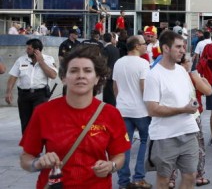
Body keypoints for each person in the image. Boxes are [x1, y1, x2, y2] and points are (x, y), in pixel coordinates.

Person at [19, 45, 130, 188]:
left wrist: (111, 166)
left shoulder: (111, 113)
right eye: (74, 70)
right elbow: (25, 159)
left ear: (97, 78)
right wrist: (38, 163)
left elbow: (119, 156)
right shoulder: (43, 112)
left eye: (88, 71)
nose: (81, 76)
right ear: (64, 78)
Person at [143, 30, 200, 189]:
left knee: (190, 176)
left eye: (183, 46)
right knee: (163, 180)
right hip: (164, 137)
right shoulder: (154, 75)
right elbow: (152, 109)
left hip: (188, 132)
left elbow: (188, 96)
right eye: (179, 47)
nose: (183, 50)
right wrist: (183, 109)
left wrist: (192, 103)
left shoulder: (182, 70)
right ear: (166, 48)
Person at [113, 35, 153, 189]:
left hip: (122, 109)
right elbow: (144, 88)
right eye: (144, 44)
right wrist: (150, 107)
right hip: (140, 110)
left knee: (125, 144)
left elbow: (115, 88)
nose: (146, 46)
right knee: (144, 140)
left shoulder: (119, 62)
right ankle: (139, 177)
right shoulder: (143, 63)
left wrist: (120, 101)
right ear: (136, 46)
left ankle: (123, 181)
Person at [169, 56, 212, 188]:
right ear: (182, 63)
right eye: (188, 61)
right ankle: (199, 175)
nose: (191, 63)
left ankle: (171, 178)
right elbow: (208, 91)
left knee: (172, 147)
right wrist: (203, 79)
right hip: (192, 116)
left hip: (173, 115)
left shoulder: (168, 76)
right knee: (198, 146)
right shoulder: (192, 76)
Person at [6, 38, 58, 133]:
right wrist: (8, 91)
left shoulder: (48, 59)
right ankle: (27, 145)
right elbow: (13, 76)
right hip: (24, 95)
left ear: (36, 50)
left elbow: (53, 75)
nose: (26, 50)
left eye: (29, 49)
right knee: (25, 122)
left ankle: (37, 144)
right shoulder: (21, 60)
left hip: (40, 95)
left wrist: (41, 62)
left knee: (38, 121)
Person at [102, 32, 120, 106]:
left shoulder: (106, 49)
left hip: (108, 75)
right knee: (113, 95)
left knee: (107, 96)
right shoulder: (116, 49)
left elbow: (103, 62)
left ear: (103, 39)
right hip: (115, 74)